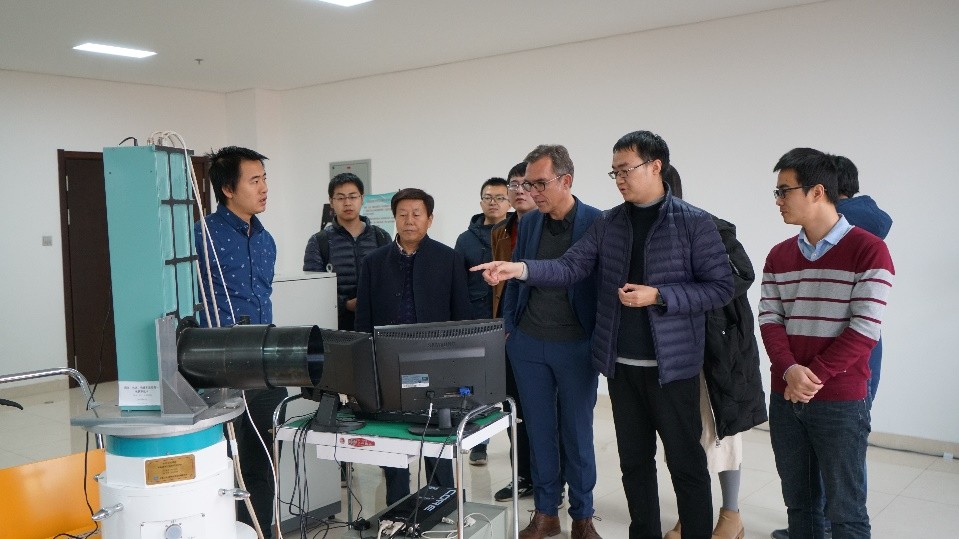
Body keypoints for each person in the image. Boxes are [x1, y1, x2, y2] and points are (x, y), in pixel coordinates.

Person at [475, 131, 734, 539]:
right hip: (621, 364)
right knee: (635, 465)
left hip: (672, 366)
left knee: (685, 465)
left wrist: (660, 295)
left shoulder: (694, 222)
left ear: (655, 167)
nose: (619, 179)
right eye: (614, 172)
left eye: (626, 170)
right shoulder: (610, 223)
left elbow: (721, 287)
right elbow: (570, 266)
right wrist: (519, 269)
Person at [760, 149, 894, 539]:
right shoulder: (779, 255)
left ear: (817, 191)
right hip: (786, 396)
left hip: (839, 399)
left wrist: (812, 375)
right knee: (800, 507)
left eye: (784, 190)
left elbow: (864, 329)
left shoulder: (869, 249)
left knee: (846, 512)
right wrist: (789, 370)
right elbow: (770, 320)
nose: (778, 200)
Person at [495, 144, 603, 539]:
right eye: (527, 184)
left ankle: (582, 516)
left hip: (576, 345)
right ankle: (545, 512)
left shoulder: (597, 222)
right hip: (528, 344)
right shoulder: (530, 224)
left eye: (540, 183)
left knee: (577, 433)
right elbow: (515, 279)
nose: (531, 192)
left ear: (566, 180)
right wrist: (510, 326)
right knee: (538, 432)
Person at [660, 166, 767, 539]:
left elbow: (740, 276)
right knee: (682, 438)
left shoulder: (711, 228)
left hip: (716, 348)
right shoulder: (645, 236)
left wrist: (684, 287)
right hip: (673, 350)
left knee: (722, 433)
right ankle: (692, 512)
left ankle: (731, 515)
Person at [354, 188, 471, 506]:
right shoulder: (374, 262)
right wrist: (365, 366)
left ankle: (442, 499)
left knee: (437, 433)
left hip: (436, 363)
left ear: (430, 219)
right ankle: (397, 502)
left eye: (417, 214)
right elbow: (363, 319)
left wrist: (459, 363)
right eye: (403, 214)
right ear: (394, 218)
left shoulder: (449, 259)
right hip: (389, 363)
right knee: (393, 434)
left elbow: (461, 315)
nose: (409, 220)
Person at [194, 146, 287, 538]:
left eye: (264, 179)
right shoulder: (202, 236)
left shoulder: (265, 240)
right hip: (219, 369)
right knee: (221, 466)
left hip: (264, 365)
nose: (264, 188)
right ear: (228, 189)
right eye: (254, 180)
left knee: (263, 462)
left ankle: (259, 531)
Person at [491, 161, 539, 502]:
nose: (519, 190)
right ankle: (522, 475)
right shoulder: (501, 231)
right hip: (507, 332)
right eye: (513, 184)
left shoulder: (551, 228)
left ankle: (550, 478)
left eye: (526, 184)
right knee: (513, 410)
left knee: (545, 412)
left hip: (540, 331)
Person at [453, 176, 510, 466]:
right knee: (477, 386)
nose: (494, 202)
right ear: (480, 202)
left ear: (509, 202)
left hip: (509, 322)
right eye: (488, 197)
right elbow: (458, 283)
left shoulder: (518, 233)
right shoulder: (465, 240)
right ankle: (479, 444)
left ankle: (517, 445)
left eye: (500, 197)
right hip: (476, 321)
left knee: (512, 386)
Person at [302, 172, 391, 331]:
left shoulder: (382, 237)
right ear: (331, 202)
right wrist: (345, 304)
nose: (347, 203)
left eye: (353, 196)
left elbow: (391, 279)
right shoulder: (319, 241)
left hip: (377, 323)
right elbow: (313, 290)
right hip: (336, 327)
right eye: (341, 198)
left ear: (362, 199)